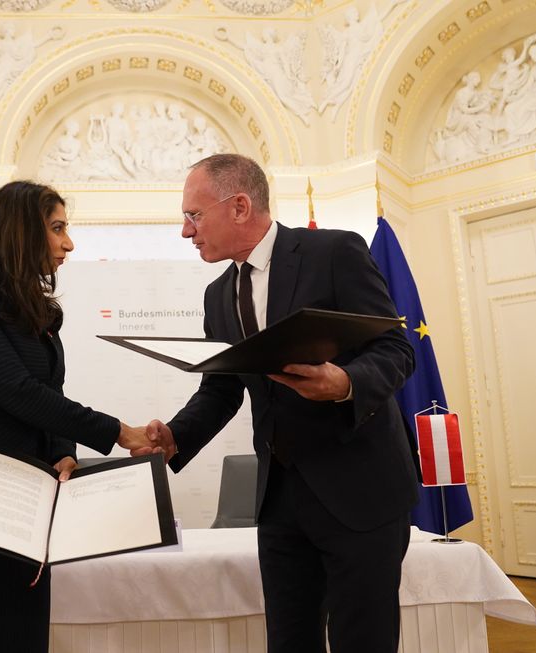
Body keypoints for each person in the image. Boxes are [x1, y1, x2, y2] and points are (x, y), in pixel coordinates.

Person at [136, 154, 419, 652]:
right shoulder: (217, 295)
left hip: (360, 494)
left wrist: (346, 383)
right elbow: (221, 389)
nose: (186, 232)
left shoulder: (334, 251)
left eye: (194, 216)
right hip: (280, 503)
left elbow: (396, 348)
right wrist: (176, 437)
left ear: (240, 206)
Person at [0, 180, 152, 652]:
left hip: (30, 483)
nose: (69, 243)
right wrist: (119, 432)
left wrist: (64, 451)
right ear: (20, 231)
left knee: (18, 627)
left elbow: (47, 393)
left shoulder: (38, 311)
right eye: (58, 228)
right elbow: (12, 390)